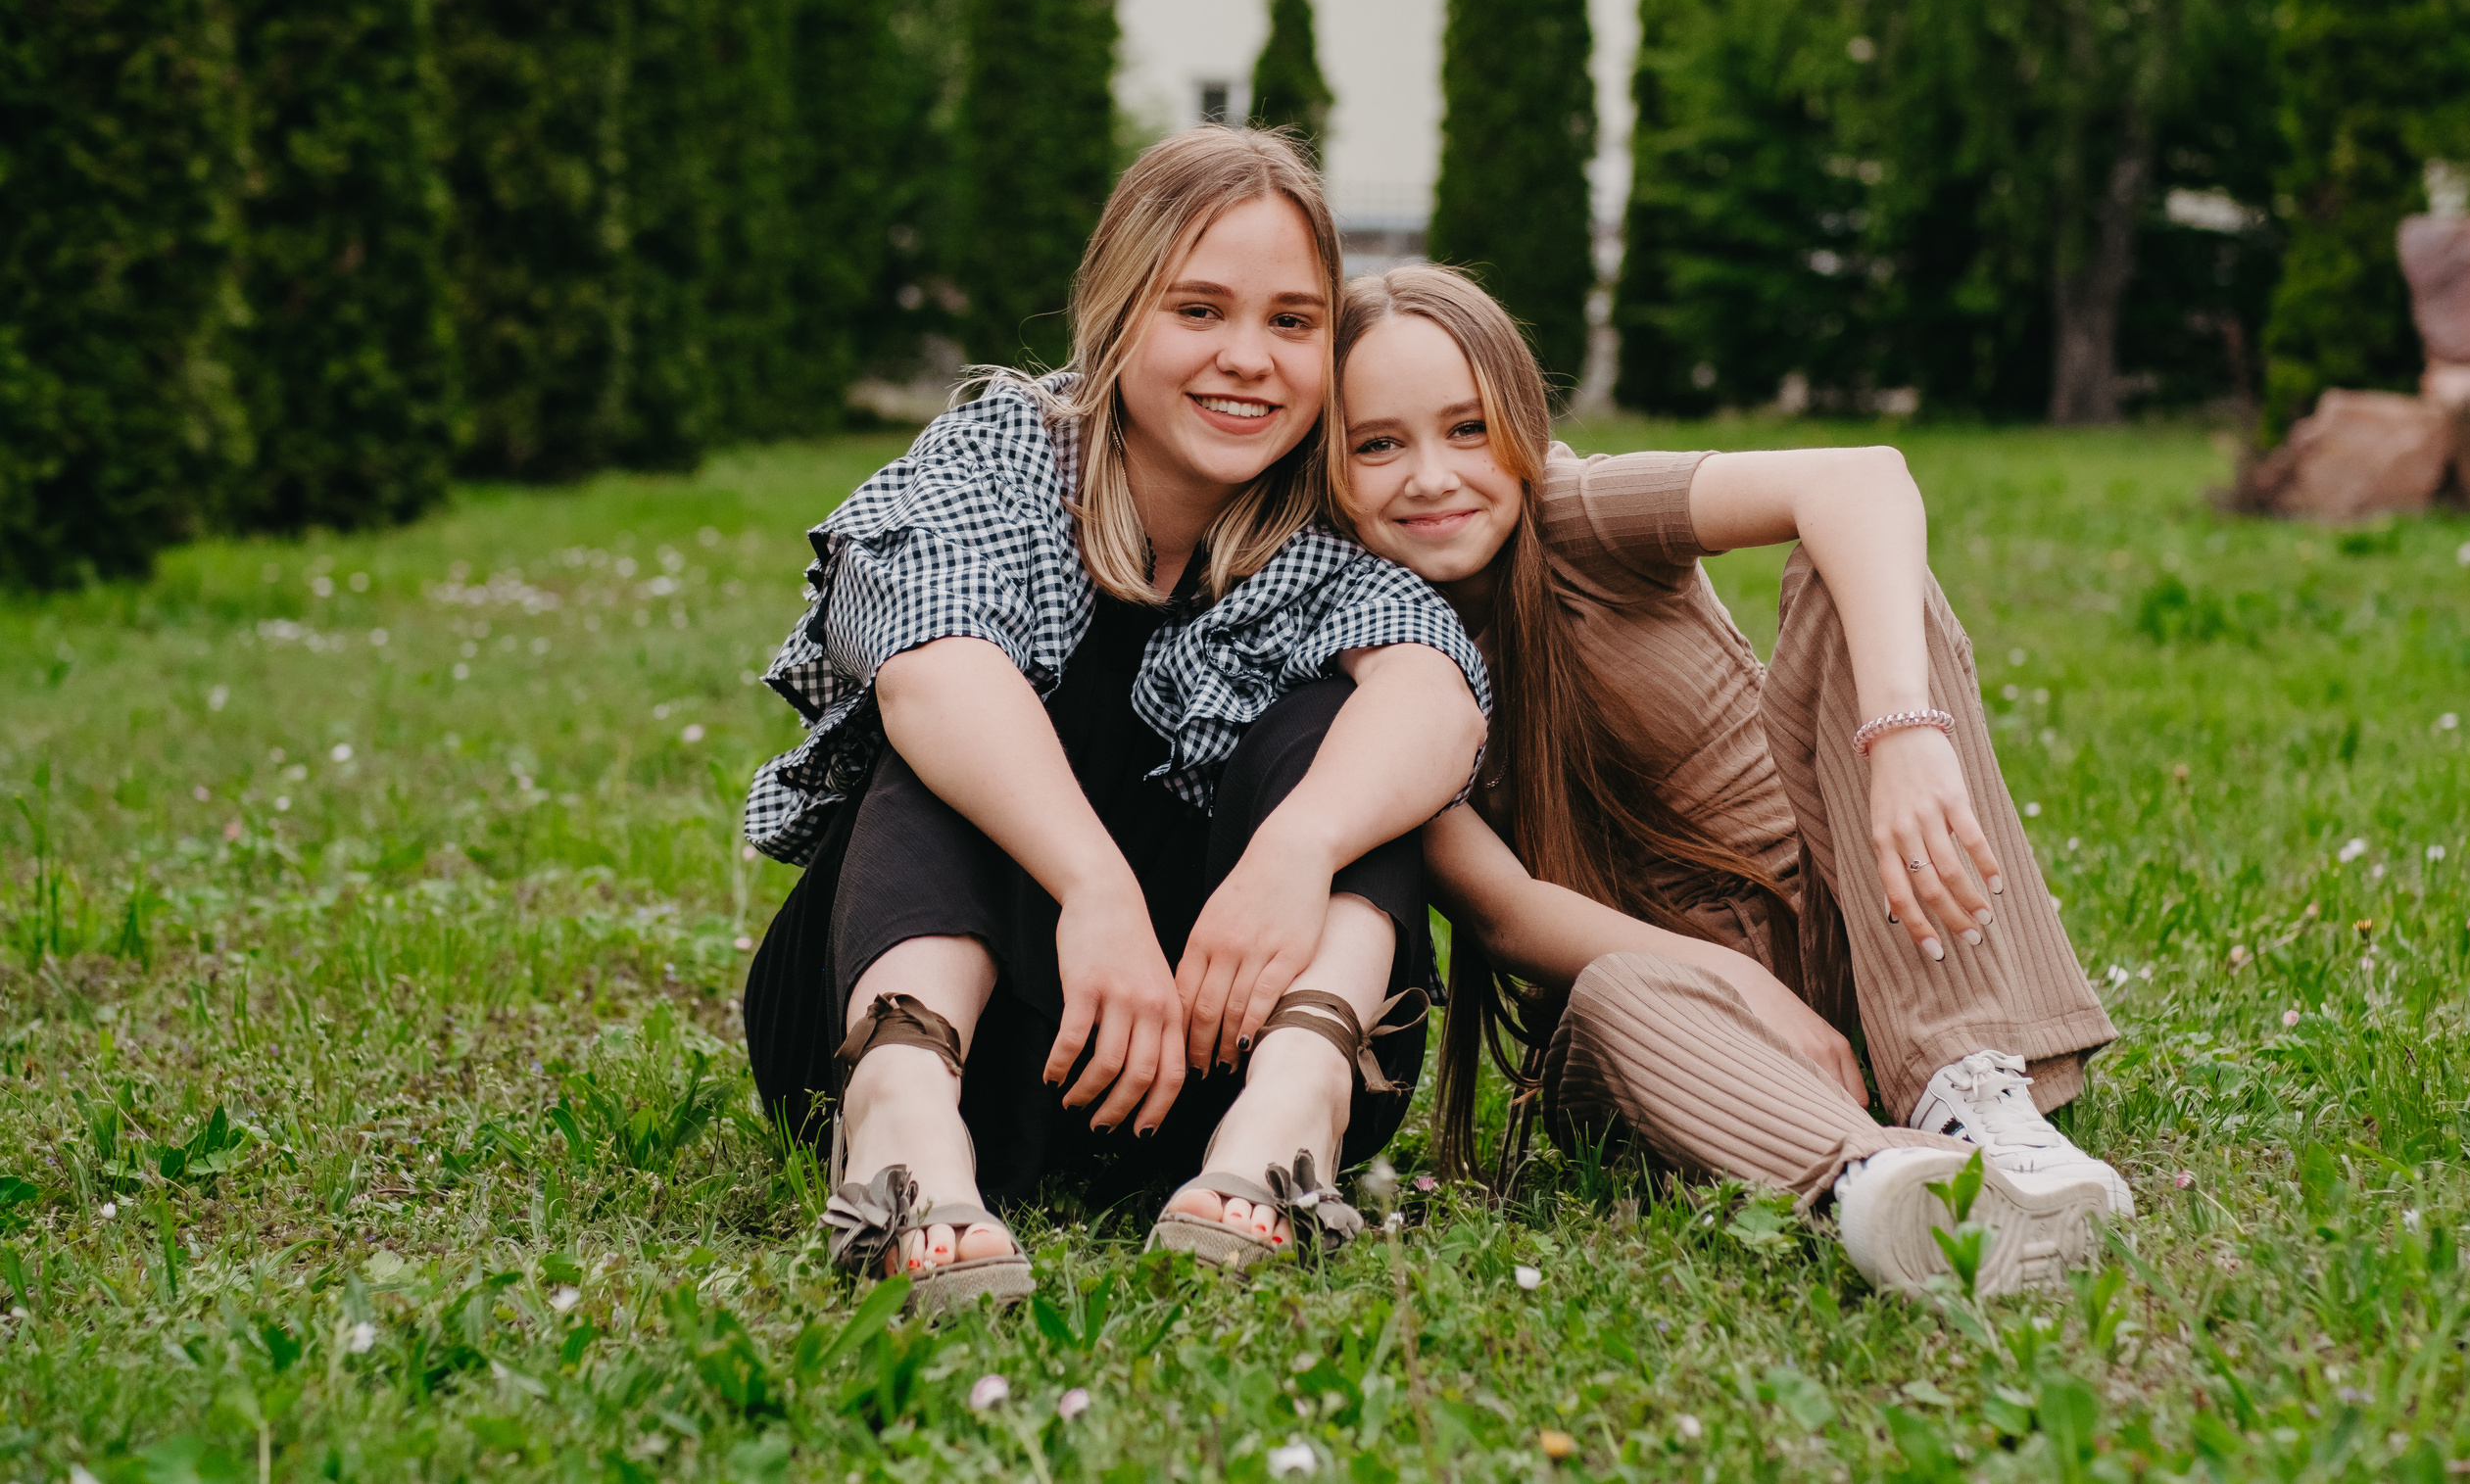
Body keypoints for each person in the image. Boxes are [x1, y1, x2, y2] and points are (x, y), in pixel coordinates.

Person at [738, 129, 1489, 1311]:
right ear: (1117, 308)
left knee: (1343, 742)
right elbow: (929, 669)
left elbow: (1435, 693)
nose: (1247, 359)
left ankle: (1294, 1115)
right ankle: (899, 1127)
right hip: (917, 1030)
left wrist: (1295, 851)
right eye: (1200, 309)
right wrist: (1094, 887)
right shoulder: (1009, 454)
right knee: (966, 716)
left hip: (1211, 1062)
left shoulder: (1321, 524)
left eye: (1293, 323)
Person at [1327, 264, 2129, 1298]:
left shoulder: (1576, 516)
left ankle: (1970, 1095)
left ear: (1522, 429)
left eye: (1468, 429)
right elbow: (1506, 912)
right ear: (1326, 468)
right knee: (1611, 989)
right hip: (1673, 1036)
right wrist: (1734, 982)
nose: (1432, 475)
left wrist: (1903, 731)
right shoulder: (1355, 656)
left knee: (1848, 587)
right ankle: (1875, 1184)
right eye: (1378, 444)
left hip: (1865, 943)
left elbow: (1857, 481)